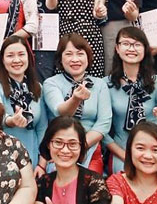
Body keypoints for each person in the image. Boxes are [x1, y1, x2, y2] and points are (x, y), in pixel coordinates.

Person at [105, 26, 157, 174]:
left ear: (145, 49)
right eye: (126, 44)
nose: (131, 49)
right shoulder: (105, 84)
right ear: (117, 48)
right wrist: (126, 157)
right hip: (121, 151)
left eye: (137, 45)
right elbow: (102, 130)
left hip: (152, 151)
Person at [42, 34, 112, 168]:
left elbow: (104, 123)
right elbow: (59, 112)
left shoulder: (99, 84)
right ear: (60, 59)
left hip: (89, 147)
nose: (75, 59)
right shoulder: (51, 83)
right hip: (59, 148)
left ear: (88, 57)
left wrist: (79, 147)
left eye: (80, 54)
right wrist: (75, 99)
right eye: (68, 54)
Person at [0, 36, 46, 167]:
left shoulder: (37, 88)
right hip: (3, 161)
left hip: (32, 158)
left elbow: (42, 128)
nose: (16, 60)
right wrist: (10, 121)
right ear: (2, 60)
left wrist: (42, 165)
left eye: (21, 54)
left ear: (29, 57)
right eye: (10, 56)